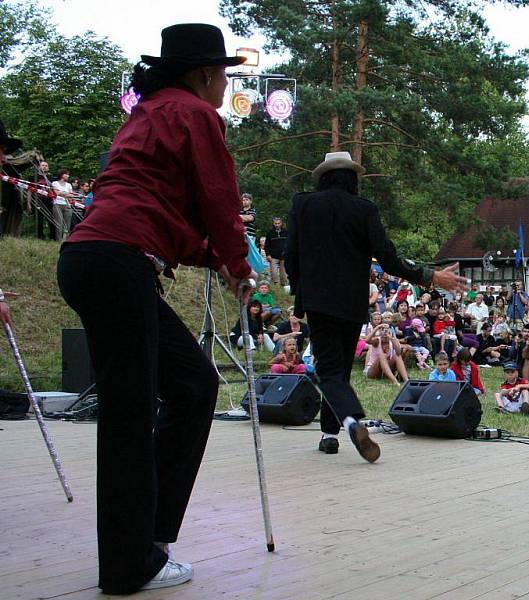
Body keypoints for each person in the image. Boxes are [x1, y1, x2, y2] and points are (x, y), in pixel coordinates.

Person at [55, 24, 255, 594]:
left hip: (97, 256)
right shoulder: (195, 115)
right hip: (118, 261)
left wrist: (210, 258)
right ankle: (126, 565)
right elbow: (219, 199)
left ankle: (152, 537)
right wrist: (237, 264)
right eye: (222, 75)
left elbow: (150, 206)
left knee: (193, 384)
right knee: (128, 414)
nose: (224, 86)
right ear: (202, 75)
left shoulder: (146, 114)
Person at [284, 151, 465, 461]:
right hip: (353, 301)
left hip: (318, 300)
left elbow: (290, 255)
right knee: (339, 368)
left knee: (328, 370)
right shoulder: (364, 209)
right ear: (352, 179)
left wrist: (300, 294)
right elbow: (389, 258)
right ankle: (329, 435)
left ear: (323, 177)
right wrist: (429, 276)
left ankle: (350, 421)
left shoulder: (302, 205)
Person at [265, 215, 289, 287]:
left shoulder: (286, 232)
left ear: (281, 223)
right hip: (273, 256)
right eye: (276, 223)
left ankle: (285, 289)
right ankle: (276, 288)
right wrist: (268, 255)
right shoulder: (270, 233)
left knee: (284, 275)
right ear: (273, 223)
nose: (277, 225)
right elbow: (267, 245)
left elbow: (290, 243)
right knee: (274, 274)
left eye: (279, 223)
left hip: (284, 256)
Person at [51, 168, 74, 241]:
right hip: (57, 204)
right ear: (62, 175)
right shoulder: (55, 183)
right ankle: (58, 240)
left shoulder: (69, 185)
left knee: (67, 224)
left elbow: (71, 195)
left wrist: (62, 193)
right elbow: (57, 193)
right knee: (59, 223)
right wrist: (66, 193)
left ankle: (65, 240)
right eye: (66, 174)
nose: (68, 176)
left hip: (67, 205)